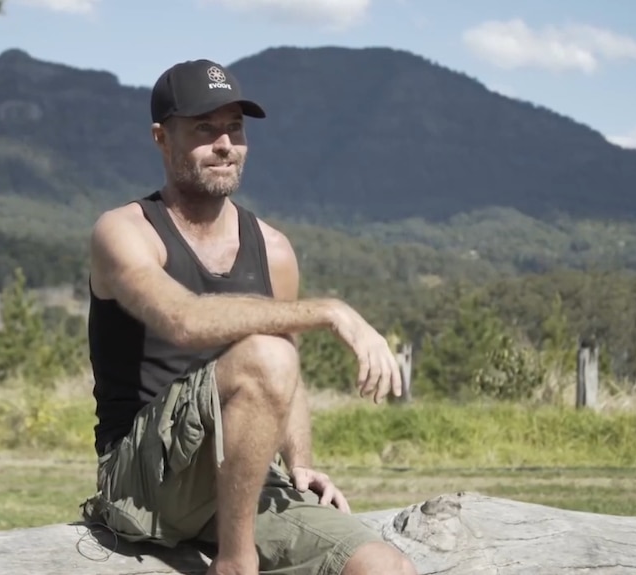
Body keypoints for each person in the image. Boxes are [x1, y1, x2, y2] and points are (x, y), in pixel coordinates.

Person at [82, 58, 419, 575]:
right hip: (140, 481)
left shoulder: (274, 249)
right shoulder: (125, 232)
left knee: (384, 567)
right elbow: (184, 321)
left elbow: (287, 382)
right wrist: (329, 311)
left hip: (238, 479)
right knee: (267, 352)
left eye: (234, 129)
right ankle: (235, 565)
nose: (225, 145)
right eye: (204, 129)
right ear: (160, 138)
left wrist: (300, 463)